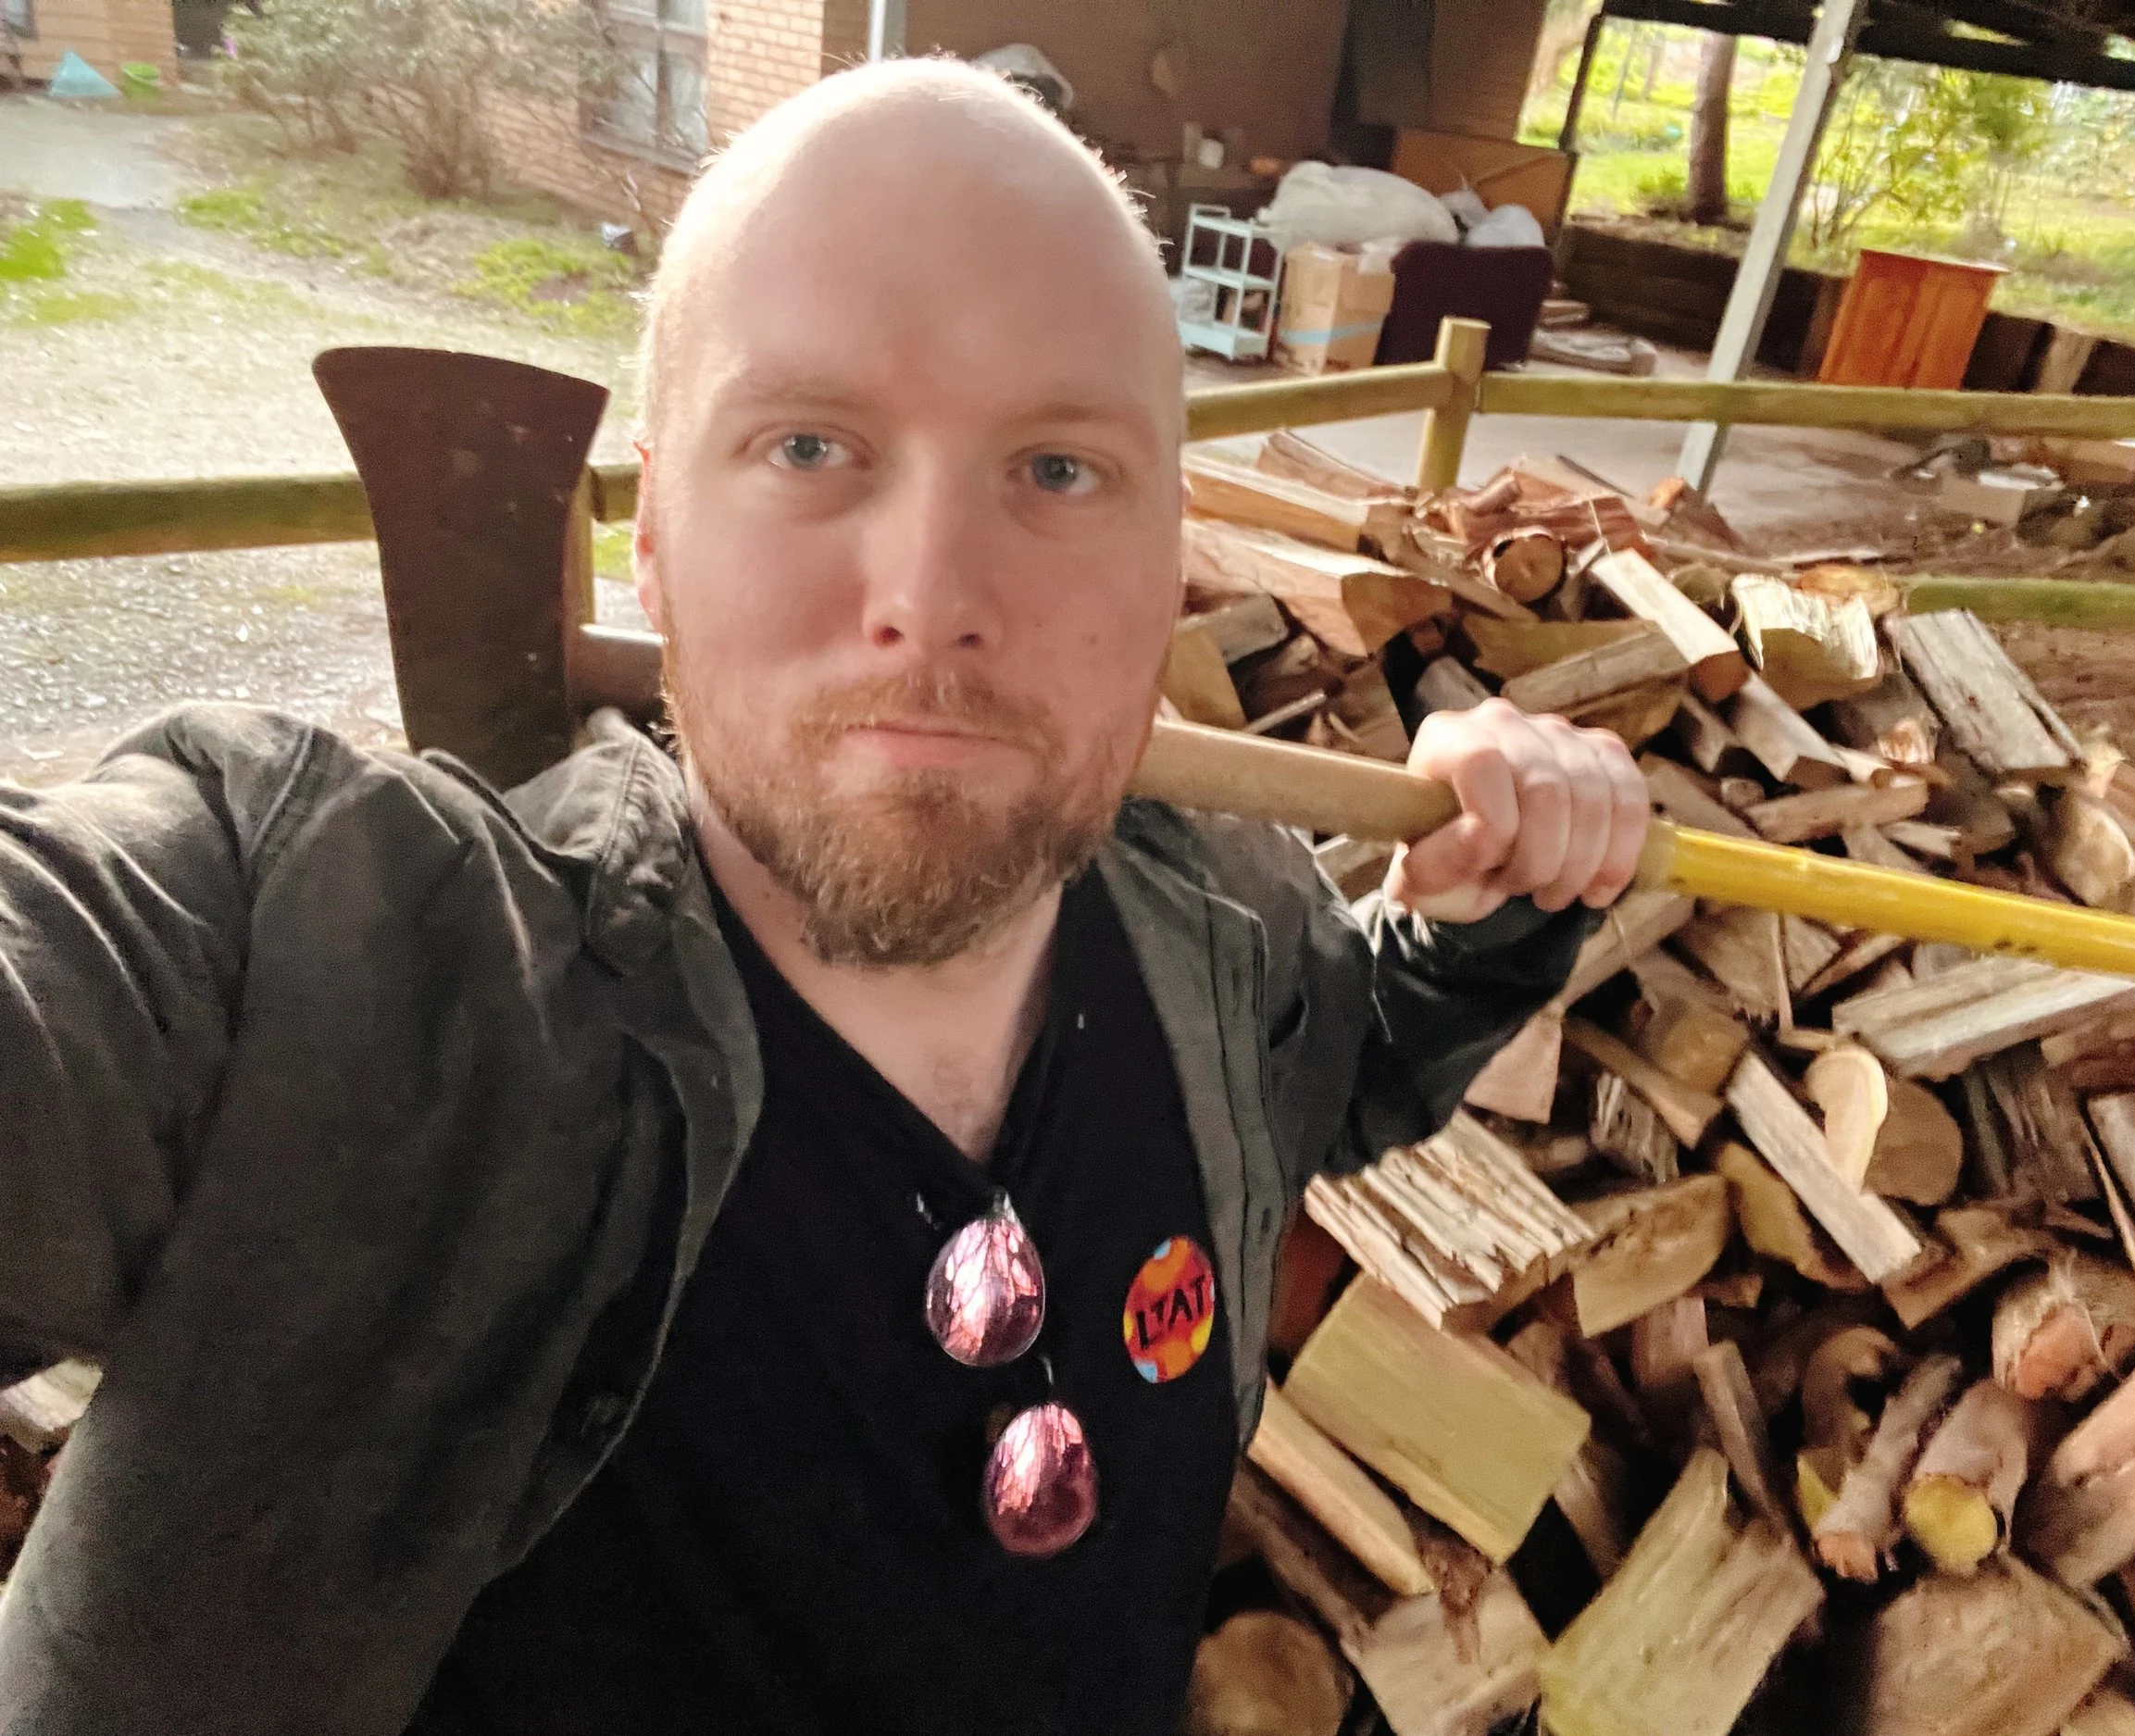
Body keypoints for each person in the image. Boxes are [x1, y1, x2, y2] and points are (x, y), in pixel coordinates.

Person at [0, 56, 1648, 1736]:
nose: (930, 600)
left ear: (1173, 553)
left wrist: (1484, 914)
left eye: (1059, 470)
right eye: (810, 444)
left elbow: (1342, 1054)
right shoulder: (349, 962)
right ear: (650, 534)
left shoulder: (1213, 927)